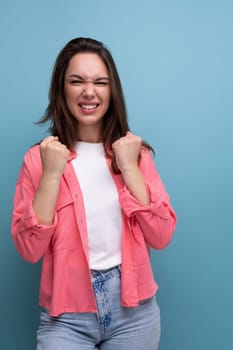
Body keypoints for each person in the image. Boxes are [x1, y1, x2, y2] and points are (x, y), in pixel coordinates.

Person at [11, 37, 177, 350]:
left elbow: (162, 234)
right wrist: (50, 174)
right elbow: (28, 249)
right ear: (62, 89)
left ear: (112, 90)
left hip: (135, 312)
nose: (89, 92)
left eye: (100, 82)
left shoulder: (137, 156)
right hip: (66, 316)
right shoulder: (39, 159)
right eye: (77, 81)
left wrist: (129, 168)